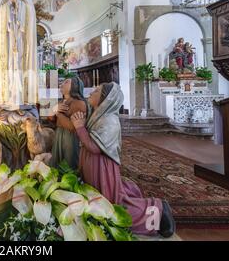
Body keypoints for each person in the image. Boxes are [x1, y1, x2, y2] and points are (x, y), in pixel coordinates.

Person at [71, 82, 176, 237]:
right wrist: (79, 125)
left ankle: (159, 212)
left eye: (97, 90)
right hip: (93, 166)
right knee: (98, 203)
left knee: (111, 207)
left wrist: (79, 127)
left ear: (105, 99)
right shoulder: (98, 115)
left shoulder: (110, 121)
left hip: (102, 169)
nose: (92, 91)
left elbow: (94, 147)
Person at [50, 76, 89, 170]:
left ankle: (70, 181)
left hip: (70, 137)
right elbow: (51, 118)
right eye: (62, 82)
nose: (61, 84)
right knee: (57, 159)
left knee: (69, 161)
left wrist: (58, 113)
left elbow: (73, 126)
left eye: (66, 82)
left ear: (74, 86)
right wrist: (53, 110)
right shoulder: (61, 101)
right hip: (59, 133)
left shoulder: (79, 103)